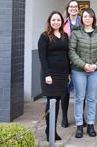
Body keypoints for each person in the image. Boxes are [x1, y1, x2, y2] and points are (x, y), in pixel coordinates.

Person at [68, 8, 97, 139]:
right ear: (82, 18)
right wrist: (84, 65)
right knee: (79, 98)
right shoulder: (76, 33)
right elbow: (71, 51)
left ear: (93, 18)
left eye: (90, 16)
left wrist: (96, 65)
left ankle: (90, 124)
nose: (87, 19)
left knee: (91, 98)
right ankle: (79, 125)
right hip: (79, 71)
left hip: (95, 71)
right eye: (85, 16)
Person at [38, 11, 70, 141]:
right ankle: (49, 131)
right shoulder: (44, 36)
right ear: (49, 22)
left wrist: (68, 73)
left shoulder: (65, 35)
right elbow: (42, 57)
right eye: (53, 20)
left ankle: (52, 130)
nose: (56, 22)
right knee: (51, 103)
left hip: (62, 75)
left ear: (62, 22)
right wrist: (47, 74)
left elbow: (67, 55)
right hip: (50, 74)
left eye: (58, 20)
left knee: (57, 102)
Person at [60, 0, 82, 128]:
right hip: (66, 59)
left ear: (78, 8)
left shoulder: (83, 21)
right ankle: (64, 117)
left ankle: (80, 117)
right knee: (65, 91)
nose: (73, 8)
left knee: (81, 90)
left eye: (75, 6)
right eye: (71, 6)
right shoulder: (63, 23)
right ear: (68, 8)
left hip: (80, 59)